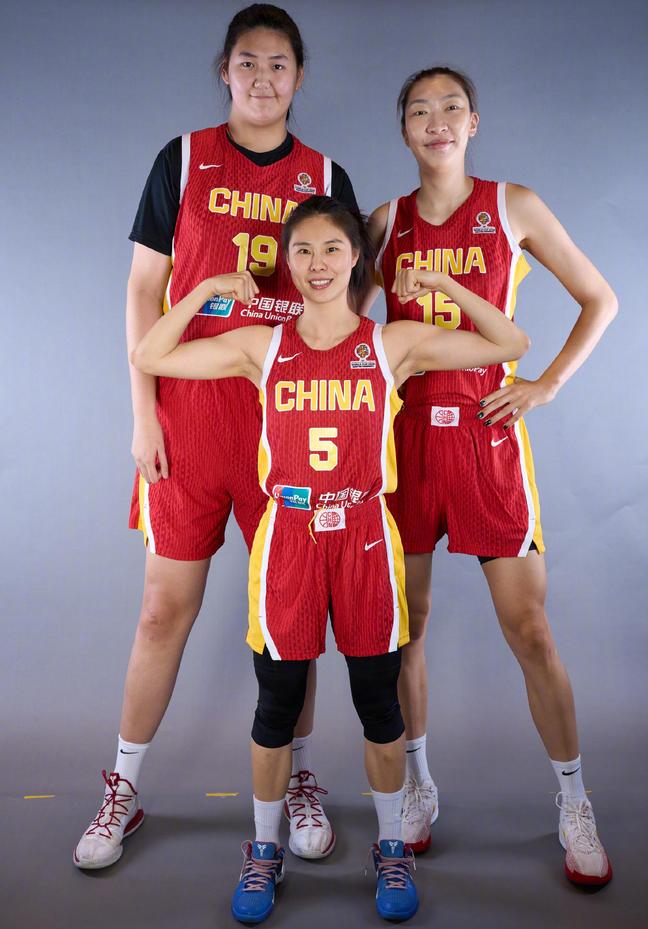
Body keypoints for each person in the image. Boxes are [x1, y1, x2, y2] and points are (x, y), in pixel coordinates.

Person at [131, 195, 529, 922]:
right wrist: (207, 288)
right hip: (289, 534)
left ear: (356, 260)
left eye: (333, 249)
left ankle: (391, 847)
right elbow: (150, 356)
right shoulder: (261, 345)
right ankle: (263, 849)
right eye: (303, 250)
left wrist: (447, 286)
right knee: (276, 704)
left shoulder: (391, 342)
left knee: (378, 702)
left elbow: (510, 342)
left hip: (366, 536)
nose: (318, 264)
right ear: (287, 261)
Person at [73, 4, 359, 871]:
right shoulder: (184, 158)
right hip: (190, 419)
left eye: (279, 64)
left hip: (287, 421)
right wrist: (143, 412)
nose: (262, 78)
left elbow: (346, 303)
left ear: (300, 77)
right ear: (224, 72)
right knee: (163, 608)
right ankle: (123, 787)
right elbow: (142, 291)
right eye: (247, 63)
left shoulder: (325, 173)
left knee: (292, 617)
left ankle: (298, 777)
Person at [367, 66, 617, 885]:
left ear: (473, 122)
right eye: (419, 111)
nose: (436, 121)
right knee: (405, 629)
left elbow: (600, 298)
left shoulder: (513, 206)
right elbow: (334, 320)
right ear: (404, 129)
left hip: (486, 435)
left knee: (530, 630)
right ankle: (418, 785)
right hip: (405, 442)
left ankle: (574, 800)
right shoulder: (384, 223)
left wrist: (546, 383)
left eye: (451, 108)